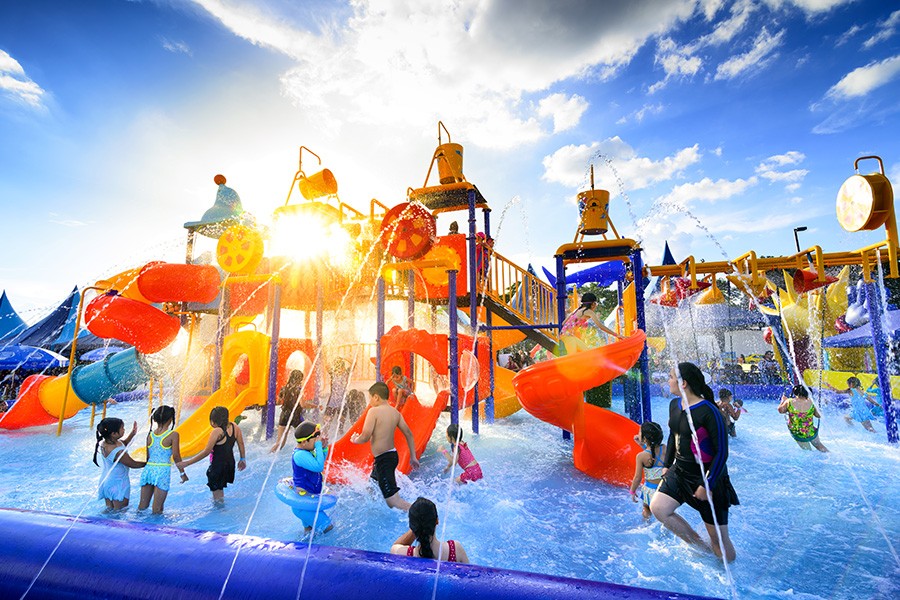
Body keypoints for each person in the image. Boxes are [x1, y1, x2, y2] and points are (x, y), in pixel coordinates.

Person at [650, 363, 739, 562]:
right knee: (659, 508)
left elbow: (722, 451)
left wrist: (707, 483)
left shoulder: (709, 411)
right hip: (679, 471)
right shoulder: (675, 404)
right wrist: (666, 464)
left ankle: (729, 572)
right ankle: (700, 548)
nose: (668, 381)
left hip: (708, 478)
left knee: (720, 541)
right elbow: (674, 435)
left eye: (671, 377)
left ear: (684, 383)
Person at [350, 381, 419, 510]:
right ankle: (371, 510)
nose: (369, 402)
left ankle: (419, 512)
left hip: (384, 460)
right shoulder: (396, 413)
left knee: (393, 501)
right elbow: (409, 434)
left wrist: (355, 439)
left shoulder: (373, 411)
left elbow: (365, 436)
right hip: (390, 456)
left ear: (376, 397)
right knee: (371, 487)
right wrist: (413, 457)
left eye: (370, 398)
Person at [177, 406, 246, 504]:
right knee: (220, 490)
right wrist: (242, 459)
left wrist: (187, 463)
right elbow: (241, 444)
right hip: (229, 464)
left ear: (213, 421)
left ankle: (221, 512)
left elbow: (206, 452)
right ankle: (221, 504)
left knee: (217, 498)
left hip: (218, 466)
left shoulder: (217, 431)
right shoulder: (235, 427)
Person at [285, 421, 334, 533]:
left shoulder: (306, 451)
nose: (317, 442)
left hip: (307, 501)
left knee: (309, 530)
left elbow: (320, 461)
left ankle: (305, 548)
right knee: (328, 528)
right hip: (304, 504)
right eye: (314, 441)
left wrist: (324, 448)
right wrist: (318, 446)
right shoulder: (300, 455)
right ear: (303, 442)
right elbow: (318, 467)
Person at [390, 497, 470, 564]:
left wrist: (417, 527)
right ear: (437, 521)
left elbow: (396, 545)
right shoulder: (455, 550)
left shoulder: (402, 553)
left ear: (412, 526)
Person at [138, 406, 187, 514]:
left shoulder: (150, 435)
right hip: (162, 471)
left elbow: (148, 458)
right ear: (170, 419)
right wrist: (182, 473)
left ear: (154, 419)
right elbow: (176, 456)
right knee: (157, 509)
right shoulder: (173, 435)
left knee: (142, 507)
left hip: (148, 470)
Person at [93, 417, 145, 511]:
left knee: (109, 510)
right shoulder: (118, 452)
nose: (124, 429)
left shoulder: (106, 443)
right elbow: (132, 464)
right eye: (122, 428)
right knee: (120, 511)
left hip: (107, 481)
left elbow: (123, 443)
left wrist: (132, 433)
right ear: (113, 434)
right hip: (118, 483)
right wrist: (149, 463)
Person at [629, 421, 666, 519]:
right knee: (665, 514)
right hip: (664, 489)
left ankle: (646, 525)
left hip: (650, 490)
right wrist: (642, 444)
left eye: (640, 433)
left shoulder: (641, 456)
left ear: (644, 439)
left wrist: (632, 492)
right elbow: (654, 453)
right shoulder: (665, 448)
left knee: (646, 509)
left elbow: (637, 477)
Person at [778, 385, 829, 452]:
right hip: (810, 431)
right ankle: (831, 455)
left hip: (798, 432)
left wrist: (782, 401)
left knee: (808, 451)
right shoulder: (812, 403)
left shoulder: (789, 402)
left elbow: (781, 411)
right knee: (819, 445)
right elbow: (818, 416)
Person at [270, 370, 306, 453]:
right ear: (299, 379)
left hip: (284, 415)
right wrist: (315, 406)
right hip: (295, 416)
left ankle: (269, 455)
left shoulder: (284, 388)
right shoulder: (298, 389)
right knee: (305, 439)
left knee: (280, 443)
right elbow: (303, 404)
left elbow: (278, 402)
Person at [324, 358, 350, 433]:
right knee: (327, 419)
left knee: (341, 419)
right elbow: (327, 365)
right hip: (332, 400)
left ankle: (340, 431)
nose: (339, 370)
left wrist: (345, 358)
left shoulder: (346, 373)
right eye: (338, 368)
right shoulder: (333, 374)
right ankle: (325, 433)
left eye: (341, 368)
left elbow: (354, 364)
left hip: (342, 400)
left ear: (343, 368)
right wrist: (334, 360)